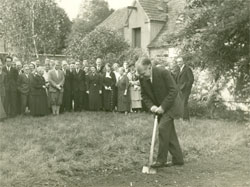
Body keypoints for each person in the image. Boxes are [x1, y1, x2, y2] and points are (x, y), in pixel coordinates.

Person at [136, 57, 184, 168]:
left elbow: (173, 90)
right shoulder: (142, 77)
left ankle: (161, 160)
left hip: (172, 104)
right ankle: (178, 159)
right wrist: (151, 106)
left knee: (163, 128)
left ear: (149, 67)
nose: (142, 77)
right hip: (159, 107)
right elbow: (144, 95)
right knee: (168, 132)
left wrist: (163, 107)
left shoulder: (163, 72)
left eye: (143, 74)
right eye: (140, 75)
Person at [176, 57, 194, 121]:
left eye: (180, 62)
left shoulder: (187, 69)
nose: (179, 63)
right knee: (182, 103)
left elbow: (191, 80)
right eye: (177, 62)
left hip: (185, 90)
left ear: (183, 61)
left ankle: (185, 118)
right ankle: (184, 118)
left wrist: (186, 87)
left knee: (184, 103)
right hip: (180, 90)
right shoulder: (179, 69)